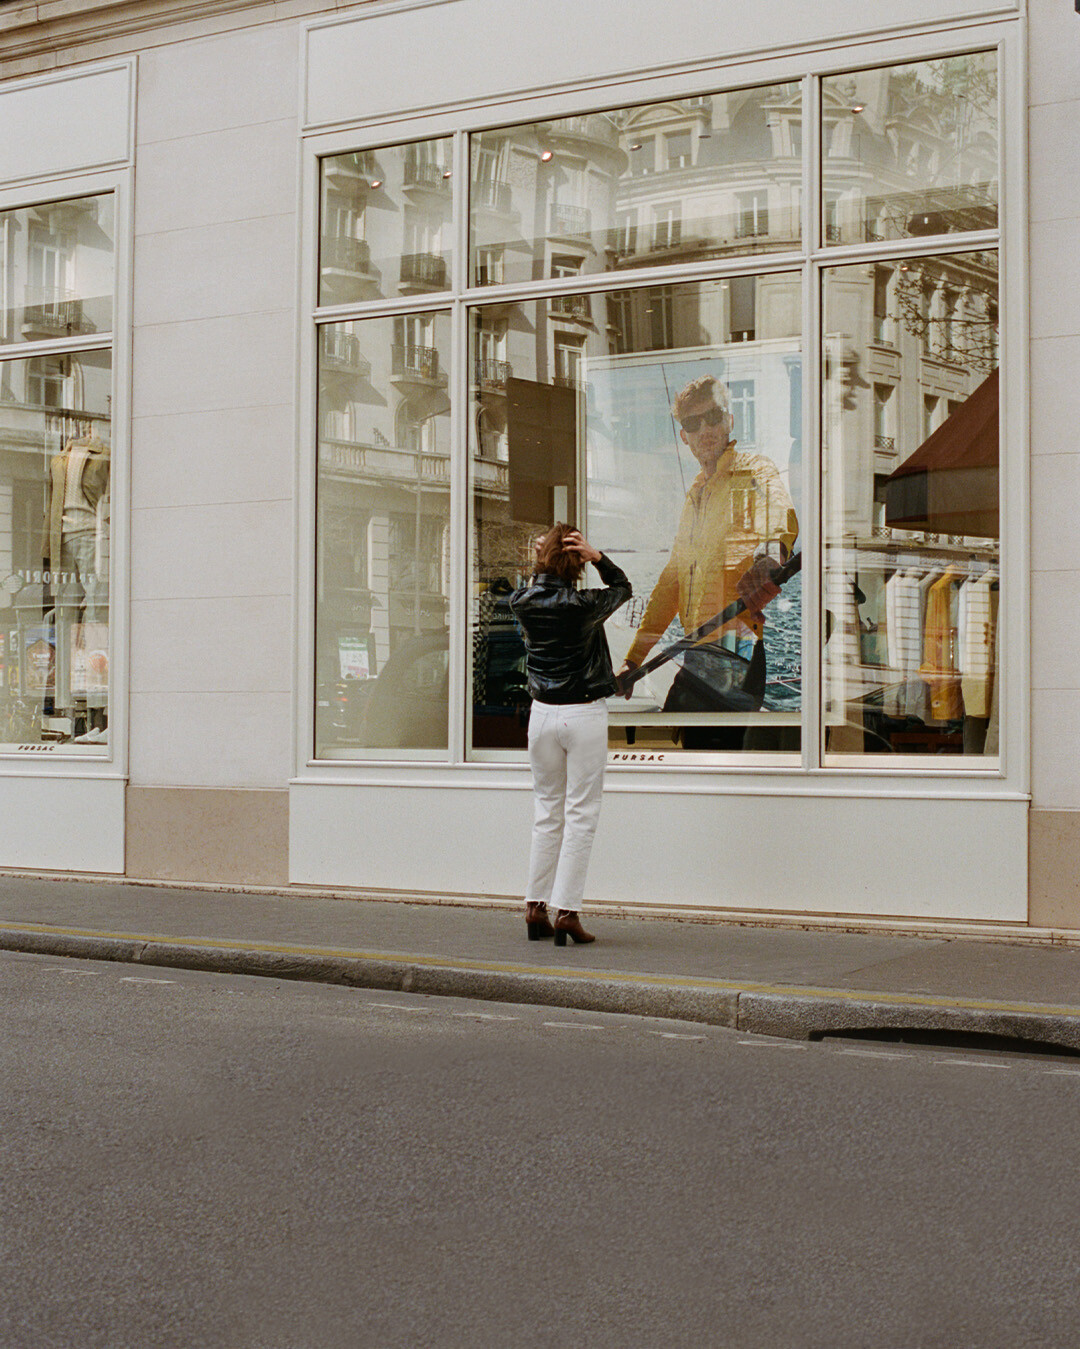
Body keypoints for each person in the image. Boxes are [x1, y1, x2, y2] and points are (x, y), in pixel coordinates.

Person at [617, 374, 798, 747]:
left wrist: (768, 559)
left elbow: (778, 518)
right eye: (693, 423)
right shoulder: (694, 497)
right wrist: (634, 660)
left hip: (737, 651)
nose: (705, 430)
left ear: (730, 420)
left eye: (713, 417)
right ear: (684, 436)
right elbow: (671, 583)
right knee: (677, 753)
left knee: (704, 763)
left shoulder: (754, 471)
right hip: (699, 654)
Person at [509, 524, 631, 946]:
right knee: (581, 814)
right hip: (582, 714)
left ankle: (534, 906)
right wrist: (597, 556)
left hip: (541, 715)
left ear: (541, 560)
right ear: (576, 562)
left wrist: (544, 559)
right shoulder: (584, 604)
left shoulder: (521, 600)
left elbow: (534, 586)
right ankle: (567, 912)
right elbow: (623, 586)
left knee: (547, 811)